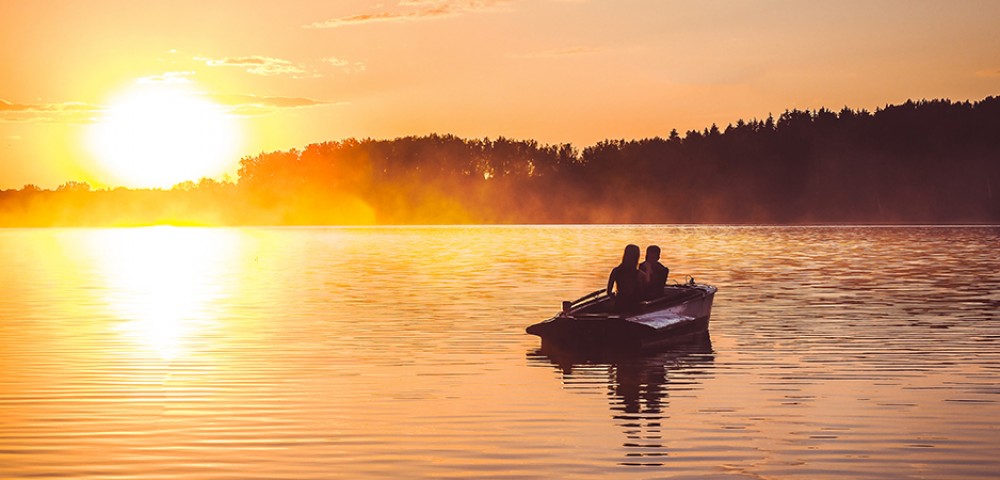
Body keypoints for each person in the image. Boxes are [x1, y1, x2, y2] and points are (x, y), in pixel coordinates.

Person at [607, 244, 641, 312]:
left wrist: (615, 299)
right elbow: (642, 291)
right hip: (634, 306)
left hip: (619, 303)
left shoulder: (616, 270)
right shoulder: (638, 273)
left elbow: (609, 291)